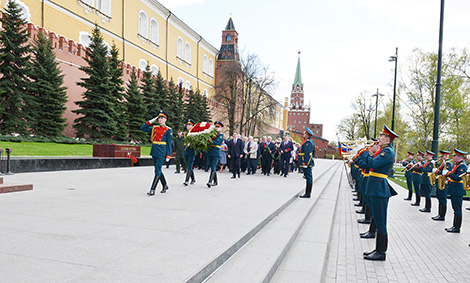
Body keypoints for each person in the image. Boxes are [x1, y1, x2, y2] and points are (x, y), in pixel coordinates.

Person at [358, 125, 398, 261]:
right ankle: (378, 249)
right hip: (375, 187)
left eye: (381, 136)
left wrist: (366, 152)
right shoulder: (385, 150)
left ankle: (381, 252)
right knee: (377, 217)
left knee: (381, 222)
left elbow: (372, 164)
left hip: (379, 189)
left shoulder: (387, 152)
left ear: (387, 139)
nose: (379, 138)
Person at [140, 110, 172, 195]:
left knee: (157, 170)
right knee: (158, 169)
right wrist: (151, 121)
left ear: (165, 119)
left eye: (162, 118)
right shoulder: (154, 128)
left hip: (162, 151)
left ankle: (152, 189)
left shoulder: (168, 130)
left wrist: (168, 155)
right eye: (159, 118)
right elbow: (142, 128)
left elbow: (169, 144)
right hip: (154, 151)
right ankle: (165, 185)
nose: (160, 119)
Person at [443, 149, 468, 233]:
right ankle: (454, 225)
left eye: (454, 156)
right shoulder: (457, 165)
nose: (453, 157)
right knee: (455, 208)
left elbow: (458, 178)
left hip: (458, 189)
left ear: (460, 157)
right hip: (455, 188)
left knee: (457, 208)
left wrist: (448, 173)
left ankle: (457, 227)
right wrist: (449, 180)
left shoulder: (462, 166)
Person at [432, 150, 452, 221]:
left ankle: (442, 215)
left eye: (442, 156)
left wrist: (437, 171)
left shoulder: (448, 163)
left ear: (446, 156)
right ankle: (439, 214)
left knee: (443, 199)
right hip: (440, 182)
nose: (440, 158)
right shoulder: (443, 163)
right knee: (440, 198)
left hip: (444, 183)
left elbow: (445, 173)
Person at [206, 121, 224, 188]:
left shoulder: (221, 135)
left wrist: (209, 141)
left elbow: (217, 142)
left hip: (216, 153)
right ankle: (216, 181)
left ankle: (210, 181)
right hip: (210, 152)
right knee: (212, 166)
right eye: (216, 126)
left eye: (218, 127)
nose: (216, 128)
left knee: (213, 167)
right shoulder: (211, 134)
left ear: (220, 128)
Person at [299, 128, 316, 198]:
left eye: (304, 134)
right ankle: (307, 193)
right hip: (307, 162)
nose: (303, 135)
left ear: (307, 135)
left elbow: (308, 154)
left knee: (309, 177)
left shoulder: (308, 143)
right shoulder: (309, 141)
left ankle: (308, 193)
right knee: (308, 177)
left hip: (307, 162)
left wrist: (305, 163)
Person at [183, 119, 196, 186]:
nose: (188, 126)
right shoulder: (185, 133)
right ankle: (193, 179)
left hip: (191, 151)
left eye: (190, 125)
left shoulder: (194, 134)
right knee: (189, 165)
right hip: (186, 151)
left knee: (189, 166)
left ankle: (186, 180)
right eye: (187, 125)